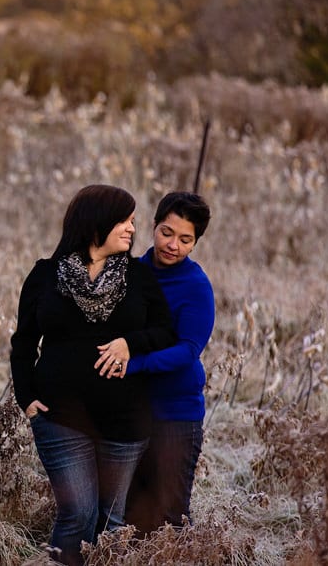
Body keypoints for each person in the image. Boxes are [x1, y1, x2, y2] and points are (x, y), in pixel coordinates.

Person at [10, 184, 175, 566]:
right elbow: (23, 343)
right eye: (125, 221)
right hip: (59, 416)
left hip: (125, 421)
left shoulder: (138, 277)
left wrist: (129, 344)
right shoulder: (45, 276)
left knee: (111, 522)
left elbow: (166, 332)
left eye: (134, 222)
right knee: (77, 514)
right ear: (96, 222)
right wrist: (26, 399)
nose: (132, 230)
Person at [115, 192, 215, 533]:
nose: (173, 244)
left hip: (175, 414)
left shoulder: (195, 286)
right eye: (166, 233)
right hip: (128, 412)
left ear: (195, 242)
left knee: (169, 519)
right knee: (126, 517)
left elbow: (188, 349)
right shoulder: (130, 272)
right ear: (154, 226)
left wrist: (135, 362)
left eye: (185, 239)